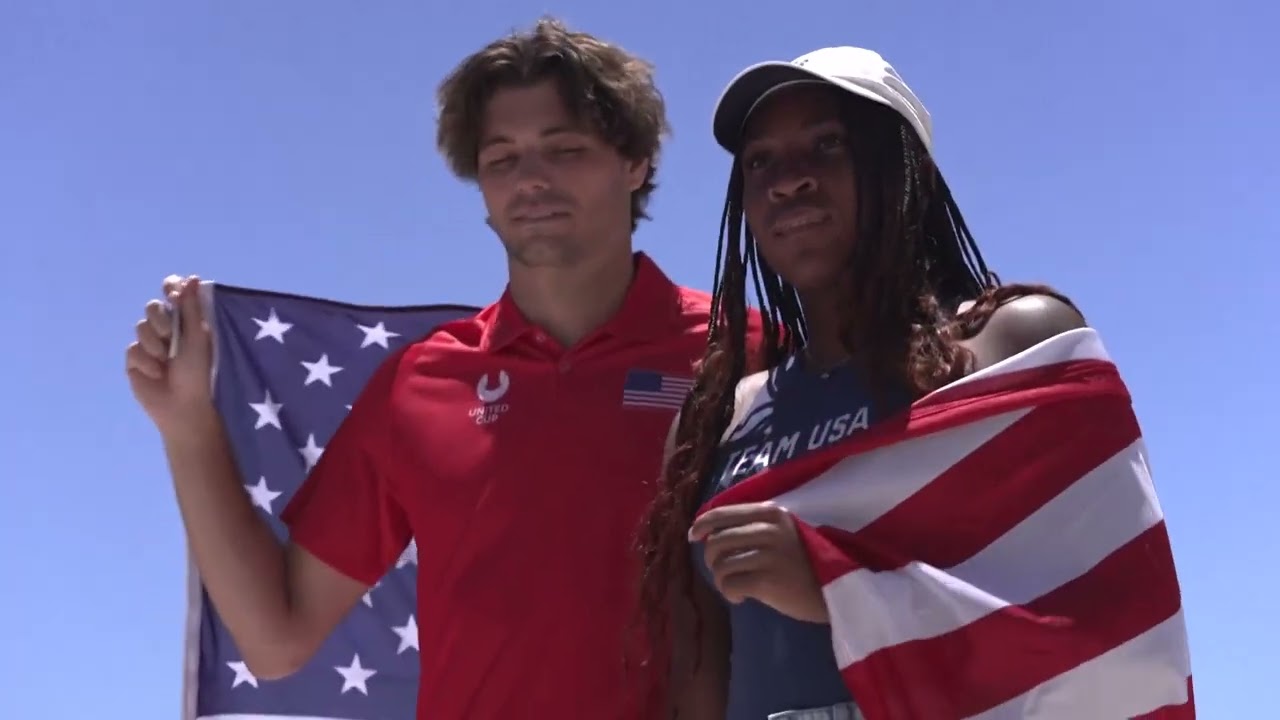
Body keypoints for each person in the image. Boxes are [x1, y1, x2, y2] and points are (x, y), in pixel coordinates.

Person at [125, 18, 757, 720]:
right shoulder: (417, 385)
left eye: (565, 149)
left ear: (634, 163)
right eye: (502, 159)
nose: (532, 181)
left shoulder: (748, 353)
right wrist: (186, 427)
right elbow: (276, 637)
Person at [635, 47, 1089, 719]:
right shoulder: (716, 423)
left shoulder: (1011, 344)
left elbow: (1099, 615)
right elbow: (701, 670)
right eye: (760, 161)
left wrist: (839, 591)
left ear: (908, 174)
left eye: (827, 145)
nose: (789, 181)